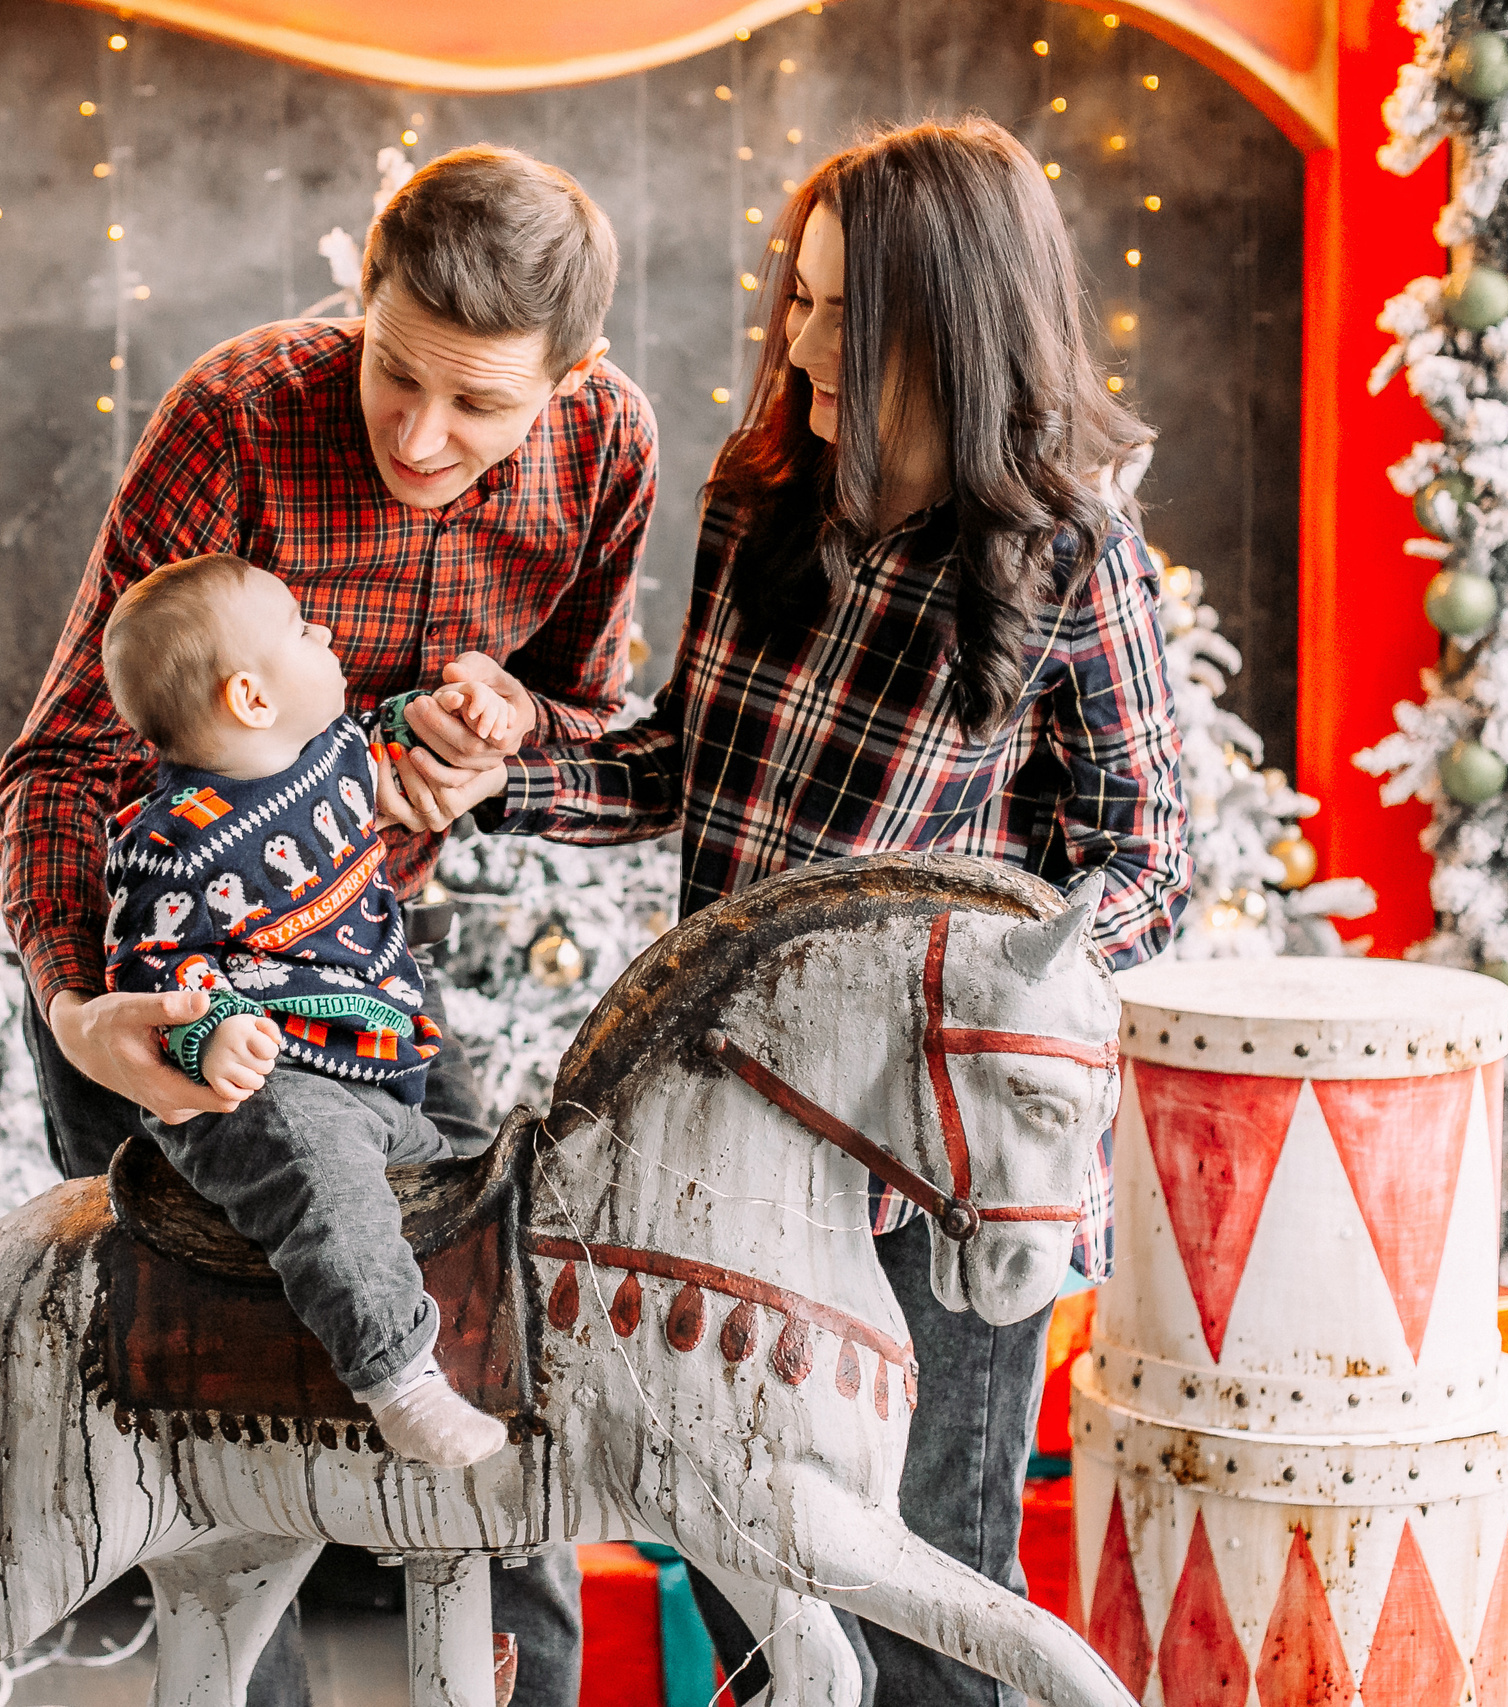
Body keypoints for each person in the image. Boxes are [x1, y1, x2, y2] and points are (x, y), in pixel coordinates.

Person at [382, 118, 1190, 1707]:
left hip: (928, 1187)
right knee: (757, 1577)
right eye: (797, 295)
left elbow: (1147, 866)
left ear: (944, 322)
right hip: (729, 1175)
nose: (798, 336)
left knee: (926, 1591)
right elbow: (683, 764)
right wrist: (506, 768)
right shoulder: (766, 501)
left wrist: (988, 983)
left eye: (838, 307)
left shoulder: (1070, 552)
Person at [0, 143, 657, 1707]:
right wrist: (85, 1009)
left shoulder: (610, 450)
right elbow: (66, 756)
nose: (424, 437)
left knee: (504, 1307)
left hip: (366, 978)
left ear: (574, 379)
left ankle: (530, 1691)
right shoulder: (238, 415)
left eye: (480, 405)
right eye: (395, 375)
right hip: (158, 988)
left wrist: (509, 739)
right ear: (359, 294)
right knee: (198, 1406)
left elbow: (587, 713)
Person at [97, 552, 518, 1466]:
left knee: (466, 1188)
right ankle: (397, 1374)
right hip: (265, 1085)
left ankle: (498, 1358)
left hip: (376, 1069)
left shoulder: (329, 757)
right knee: (320, 1175)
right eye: (299, 629)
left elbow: (384, 734)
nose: (322, 633)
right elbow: (152, 970)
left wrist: (442, 717)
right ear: (250, 698)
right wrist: (210, 1035)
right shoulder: (171, 844)